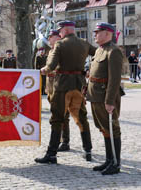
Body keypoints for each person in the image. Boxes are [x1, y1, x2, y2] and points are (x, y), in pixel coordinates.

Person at [35, 20, 96, 164]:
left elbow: (51, 66)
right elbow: (98, 54)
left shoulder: (60, 44)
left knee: (57, 119)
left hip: (62, 86)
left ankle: (51, 154)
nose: (59, 33)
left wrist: (43, 70)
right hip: (79, 85)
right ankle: (88, 150)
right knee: (81, 118)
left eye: (60, 30)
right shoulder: (84, 43)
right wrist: (90, 70)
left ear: (65, 30)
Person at [86, 23, 124, 175]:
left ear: (108, 33)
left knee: (112, 129)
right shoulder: (100, 50)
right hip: (95, 95)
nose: (94, 34)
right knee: (103, 129)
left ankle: (115, 162)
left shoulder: (114, 51)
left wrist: (109, 101)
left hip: (105, 96)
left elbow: (114, 79)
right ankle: (109, 160)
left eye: (98, 32)